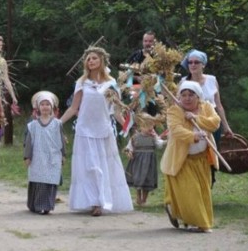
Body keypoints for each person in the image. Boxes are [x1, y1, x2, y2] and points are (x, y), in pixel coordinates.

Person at [59, 47, 133, 216]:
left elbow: (116, 111)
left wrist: (127, 126)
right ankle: (93, 202)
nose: (91, 61)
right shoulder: (82, 82)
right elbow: (73, 107)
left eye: (94, 58)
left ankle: (102, 200)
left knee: (102, 166)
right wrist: (58, 123)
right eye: (88, 59)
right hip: (85, 130)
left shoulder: (111, 83)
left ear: (102, 61)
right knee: (89, 167)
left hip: (103, 130)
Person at [160, 81, 220, 233]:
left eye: (191, 95)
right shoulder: (175, 110)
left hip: (202, 159)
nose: (187, 98)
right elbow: (176, 130)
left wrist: (196, 118)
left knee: (203, 192)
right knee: (190, 193)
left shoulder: (206, 107)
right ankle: (200, 224)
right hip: (182, 160)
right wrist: (194, 135)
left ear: (198, 96)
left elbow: (215, 123)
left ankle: (175, 210)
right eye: (183, 95)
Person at [24, 91, 66, 215]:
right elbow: (28, 142)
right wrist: (27, 156)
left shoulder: (57, 124)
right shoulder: (33, 125)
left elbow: (61, 140)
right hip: (37, 156)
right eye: (42, 104)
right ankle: (35, 205)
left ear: (52, 107)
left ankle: (46, 205)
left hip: (52, 156)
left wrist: (63, 155)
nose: (45, 107)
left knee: (49, 180)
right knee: (37, 180)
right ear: (38, 107)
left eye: (48, 104)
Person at [180, 49, 233, 141]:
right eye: (190, 62)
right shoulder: (183, 82)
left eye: (196, 62)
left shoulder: (212, 80)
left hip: (210, 122)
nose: (193, 65)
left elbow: (219, 106)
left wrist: (226, 126)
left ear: (203, 65)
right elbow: (178, 104)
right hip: (191, 123)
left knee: (212, 153)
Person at [124, 119, 166, 206]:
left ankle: (144, 199)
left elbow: (159, 145)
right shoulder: (135, 137)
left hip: (149, 163)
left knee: (148, 179)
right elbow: (129, 147)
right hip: (138, 162)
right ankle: (138, 196)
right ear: (141, 127)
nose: (150, 128)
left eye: (152, 126)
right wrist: (129, 152)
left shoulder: (153, 137)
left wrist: (164, 140)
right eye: (148, 126)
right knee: (138, 178)